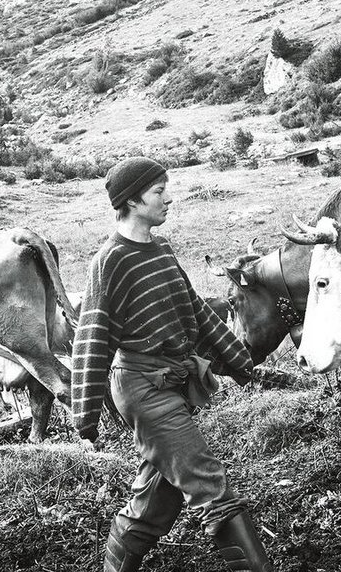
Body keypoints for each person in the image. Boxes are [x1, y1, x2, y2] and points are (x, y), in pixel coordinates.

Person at [72, 156, 274, 572]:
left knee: (155, 503)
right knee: (210, 487)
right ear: (131, 200)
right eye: (159, 192)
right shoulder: (109, 262)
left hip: (173, 385)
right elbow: (92, 339)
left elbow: (196, 312)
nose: (169, 199)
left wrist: (240, 363)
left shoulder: (161, 248)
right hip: (142, 389)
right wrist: (85, 416)